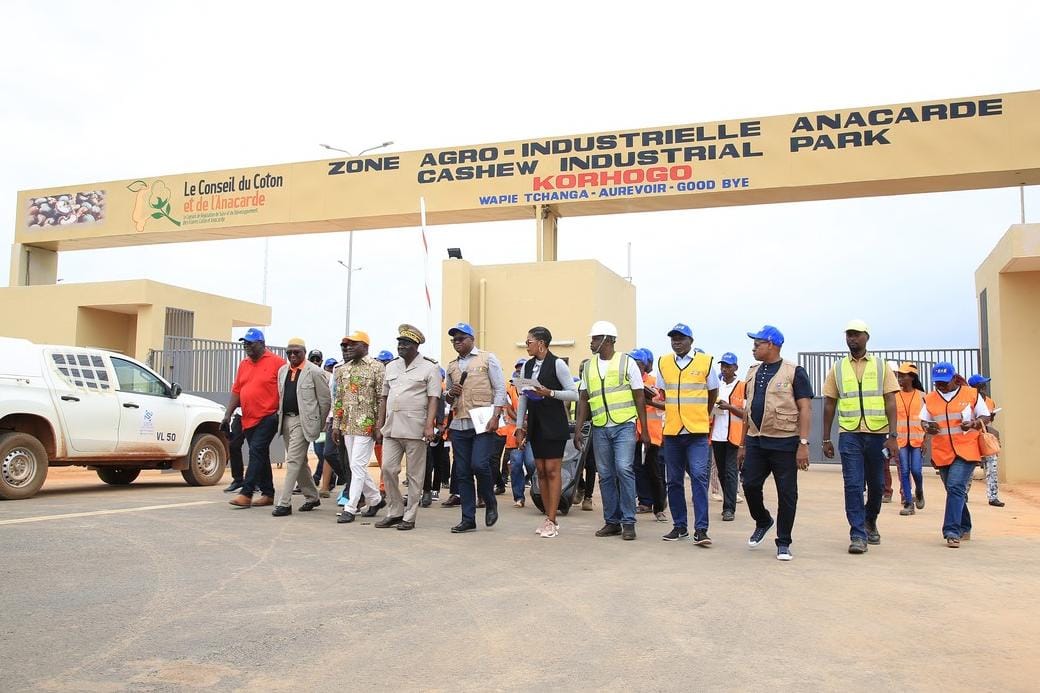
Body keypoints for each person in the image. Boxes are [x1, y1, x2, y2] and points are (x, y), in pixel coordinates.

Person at [822, 319, 900, 554]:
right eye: (849, 335)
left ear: (867, 337)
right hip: (849, 434)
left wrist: (893, 435)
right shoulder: (837, 368)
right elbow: (829, 404)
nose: (852, 339)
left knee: (876, 485)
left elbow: (890, 401)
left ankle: (870, 520)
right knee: (853, 484)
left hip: (877, 434)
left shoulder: (880, 366)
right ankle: (857, 534)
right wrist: (825, 438)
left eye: (856, 334)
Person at [737, 326, 813, 561]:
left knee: (787, 493)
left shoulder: (794, 372)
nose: (753, 348)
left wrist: (803, 443)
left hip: (784, 441)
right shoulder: (752, 372)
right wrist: (742, 444)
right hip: (756, 440)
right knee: (749, 485)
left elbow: (805, 408)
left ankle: (783, 542)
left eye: (757, 343)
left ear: (771, 344)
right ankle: (763, 520)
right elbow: (746, 410)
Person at [575, 321, 649, 541]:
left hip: (624, 425)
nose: (591, 342)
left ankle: (628, 522)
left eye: (595, 339)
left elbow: (639, 396)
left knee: (624, 469)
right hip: (600, 427)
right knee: (605, 475)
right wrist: (579, 428)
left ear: (608, 340)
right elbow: (583, 398)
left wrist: (644, 429)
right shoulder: (589, 367)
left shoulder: (627, 363)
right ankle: (612, 521)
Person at [656, 323, 718, 546]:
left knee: (699, 478)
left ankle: (701, 529)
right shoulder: (663, 363)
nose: (676, 342)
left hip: (696, 431)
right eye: (673, 338)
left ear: (691, 341)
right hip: (672, 430)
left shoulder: (706, 361)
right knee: (673, 481)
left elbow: (713, 392)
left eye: (681, 338)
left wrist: (703, 414)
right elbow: (663, 393)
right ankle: (679, 526)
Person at [374, 324, 441, 530]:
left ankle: (409, 516)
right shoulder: (391, 367)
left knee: (414, 474)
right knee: (388, 468)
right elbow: (384, 397)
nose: (400, 347)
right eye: (399, 343)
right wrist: (379, 423)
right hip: (392, 427)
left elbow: (433, 399)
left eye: (405, 344)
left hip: (415, 427)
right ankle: (395, 511)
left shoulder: (430, 368)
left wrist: (429, 426)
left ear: (415, 346)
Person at [443, 322, 507, 533]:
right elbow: (448, 398)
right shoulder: (451, 366)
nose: (457, 343)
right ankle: (468, 518)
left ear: (472, 339)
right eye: (454, 340)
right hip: (459, 424)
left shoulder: (488, 359)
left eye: (461, 339)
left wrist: (496, 416)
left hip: (483, 422)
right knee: (462, 472)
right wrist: (451, 394)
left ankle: (490, 502)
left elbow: (499, 389)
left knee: (479, 465)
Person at [515, 327, 578, 537]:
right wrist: (519, 426)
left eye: (529, 341)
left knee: (552, 470)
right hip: (535, 424)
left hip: (554, 423)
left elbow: (574, 393)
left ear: (541, 343)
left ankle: (552, 519)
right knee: (540, 470)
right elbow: (523, 396)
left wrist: (549, 392)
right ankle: (547, 515)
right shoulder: (527, 366)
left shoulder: (557, 364)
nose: (527, 345)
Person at [921, 362, 990, 547]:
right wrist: (929, 427)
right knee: (954, 490)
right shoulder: (930, 399)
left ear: (954, 378)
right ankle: (965, 525)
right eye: (937, 383)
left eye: (944, 382)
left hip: (966, 450)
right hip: (943, 452)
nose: (941, 386)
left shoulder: (971, 394)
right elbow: (924, 422)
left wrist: (975, 423)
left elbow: (985, 416)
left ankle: (952, 531)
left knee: (955, 486)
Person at [225, 328, 286, 509]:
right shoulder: (244, 364)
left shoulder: (278, 363)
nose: (247, 346)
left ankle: (247, 492)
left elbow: (286, 389)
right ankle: (268, 493)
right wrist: (227, 414)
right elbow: (237, 390)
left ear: (262, 344)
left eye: (250, 343)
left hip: (269, 416)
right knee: (261, 453)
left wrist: (280, 412)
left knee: (257, 450)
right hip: (248, 417)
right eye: (245, 343)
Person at [271, 338, 332, 516]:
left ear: (304, 352)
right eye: (289, 352)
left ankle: (284, 503)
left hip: (303, 421)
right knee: (299, 461)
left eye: (296, 352)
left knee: (293, 461)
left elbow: (325, 400)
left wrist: (319, 424)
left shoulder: (314, 372)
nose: (292, 355)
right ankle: (312, 496)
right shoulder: (282, 371)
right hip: (287, 421)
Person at [332, 330, 386, 524]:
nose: (349, 347)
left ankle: (350, 507)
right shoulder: (342, 370)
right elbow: (338, 399)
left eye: (353, 344)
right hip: (347, 424)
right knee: (357, 466)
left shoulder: (377, 368)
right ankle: (375, 499)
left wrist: (380, 424)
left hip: (367, 424)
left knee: (356, 465)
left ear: (365, 346)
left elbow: (382, 398)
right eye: (346, 344)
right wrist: (336, 425)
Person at [632, 348, 667, 522]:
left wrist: (648, 400)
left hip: (652, 434)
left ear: (644, 366)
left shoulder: (654, 382)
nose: (635, 367)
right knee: (637, 469)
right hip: (634, 434)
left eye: (638, 364)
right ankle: (644, 502)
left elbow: (666, 405)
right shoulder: (628, 383)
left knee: (654, 471)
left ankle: (659, 507)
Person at [710, 352, 745, 522]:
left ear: (735, 368)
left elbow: (746, 414)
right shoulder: (718, 385)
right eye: (722, 366)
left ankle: (729, 508)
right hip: (717, 435)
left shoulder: (742, 386)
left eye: (728, 366)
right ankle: (727, 501)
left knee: (731, 472)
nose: (724, 369)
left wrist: (729, 407)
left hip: (733, 435)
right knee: (722, 473)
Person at [893, 362, 927, 515]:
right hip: (901, 441)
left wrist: (926, 440)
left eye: (903, 376)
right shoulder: (894, 396)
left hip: (917, 440)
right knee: (904, 471)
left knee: (916, 471)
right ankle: (908, 503)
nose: (900, 378)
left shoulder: (922, 397)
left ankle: (919, 490)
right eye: (899, 375)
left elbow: (928, 420)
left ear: (912, 377)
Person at [967, 374, 1004, 507]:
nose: (984, 387)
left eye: (984, 384)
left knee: (992, 467)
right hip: (971, 438)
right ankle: (964, 493)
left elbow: (989, 421)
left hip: (985, 438)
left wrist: (991, 417)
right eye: (981, 385)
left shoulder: (989, 401)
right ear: (974, 388)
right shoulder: (967, 400)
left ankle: (993, 497)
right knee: (969, 468)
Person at [504, 358, 534, 508]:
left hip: (533, 433)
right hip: (515, 433)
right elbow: (508, 408)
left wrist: (529, 424)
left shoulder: (534, 387)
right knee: (516, 464)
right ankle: (519, 497)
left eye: (522, 368)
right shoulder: (509, 388)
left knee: (531, 463)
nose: (519, 371)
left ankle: (538, 492)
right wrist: (521, 422)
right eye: (517, 368)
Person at [222, 406, 246, 493]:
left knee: (256, 448)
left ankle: (257, 481)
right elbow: (235, 395)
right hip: (240, 414)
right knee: (233, 445)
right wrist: (227, 416)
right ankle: (238, 480)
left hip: (257, 415)